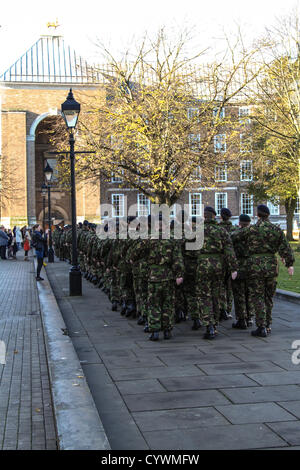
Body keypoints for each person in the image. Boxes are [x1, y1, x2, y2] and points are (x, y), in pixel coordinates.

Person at [232, 204, 295, 337]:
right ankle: (267, 324)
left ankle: (261, 326)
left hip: (255, 266)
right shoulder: (275, 229)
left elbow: (234, 237)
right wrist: (289, 264)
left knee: (258, 296)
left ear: (258, 214)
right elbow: (285, 248)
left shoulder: (252, 229)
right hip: (271, 266)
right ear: (268, 215)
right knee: (268, 297)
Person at [196, 207, 238, 340]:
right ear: (214, 216)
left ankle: (208, 325)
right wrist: (233, 268)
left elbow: (188, 250)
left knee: (204, 295)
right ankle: (215, 323)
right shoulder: (221, 231)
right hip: (218, 265)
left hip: (203, 265)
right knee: (216, 294)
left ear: (204, 216)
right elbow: (229, 250)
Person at [231, 214, 252, 329]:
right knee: (250, 294)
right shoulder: (254, 233)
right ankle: (250, 317)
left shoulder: (236, 234)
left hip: (239, 266)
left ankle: (241, 319)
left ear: (240, 222)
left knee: (239, 294)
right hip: (252, 266)